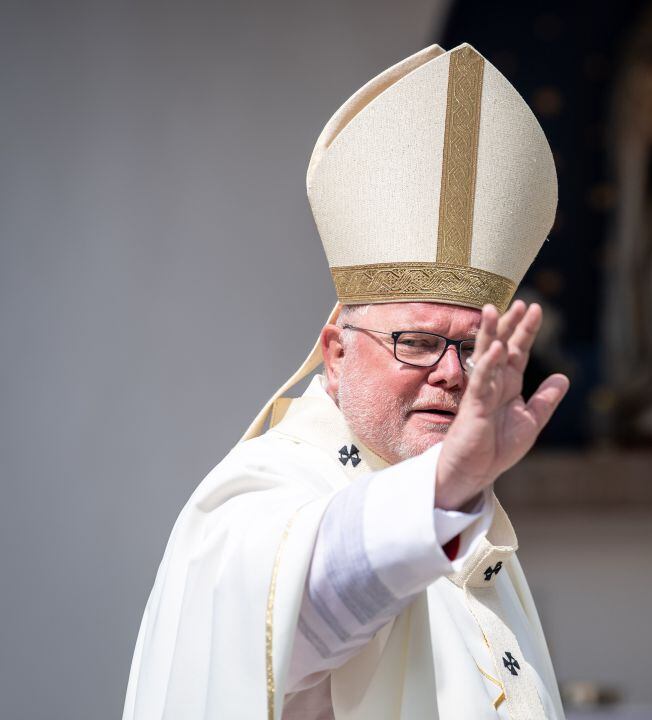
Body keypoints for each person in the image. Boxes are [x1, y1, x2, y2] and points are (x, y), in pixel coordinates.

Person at [124, 44, 569, 719]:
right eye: (417, 342)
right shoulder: (265, 499)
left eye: (474, 349)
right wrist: (447, 487)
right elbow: (318, 597)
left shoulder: (470, 527)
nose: (451, 373)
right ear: (335, 353)